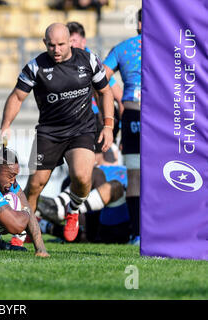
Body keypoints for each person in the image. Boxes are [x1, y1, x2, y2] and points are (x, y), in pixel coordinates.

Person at [0, 23, 114, 243]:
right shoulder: (36, 66)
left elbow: (105, 92)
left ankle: (73, 210)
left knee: (82, 176)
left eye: (61, 44)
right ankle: (23, 232)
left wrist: (108, 125)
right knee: (34, 185)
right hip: (49, 132)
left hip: (82, 129)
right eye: (51, 45)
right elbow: (17, 97)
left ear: (70, 41)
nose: (56, 50)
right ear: (44, 43)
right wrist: (5, 125)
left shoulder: (88, 60)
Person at [103, 9, 141, 245]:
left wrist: (112, 100)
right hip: (168, 117)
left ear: (138, 23)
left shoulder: (123, 48)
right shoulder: (173, 46)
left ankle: (137, 233)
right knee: (169, 174)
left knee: (135, 178)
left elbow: (100, 77)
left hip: (133, 113)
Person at [67, 21, 123, 166]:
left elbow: (118, 96)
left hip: (98, 119)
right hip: (77, 121)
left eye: (74, 40)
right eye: (69, 41)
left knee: (103, 164)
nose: (71, 45)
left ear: (83, 41)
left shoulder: (93, 63)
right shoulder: (64, 65)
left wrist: (117, 127)